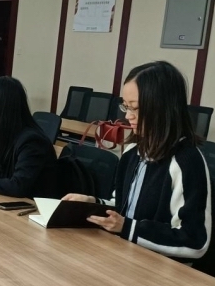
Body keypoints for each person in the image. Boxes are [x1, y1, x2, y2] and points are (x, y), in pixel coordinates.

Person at [63, 61, 212, 268]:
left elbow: (195, 241)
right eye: (126, 106)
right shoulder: (133, 151)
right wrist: (91, 202)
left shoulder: (186, 161)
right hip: (124, 256)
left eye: (136, 108)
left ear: (162, 108)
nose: (128, 116)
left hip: (161, 271)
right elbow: (124, 210)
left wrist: (127, 228)